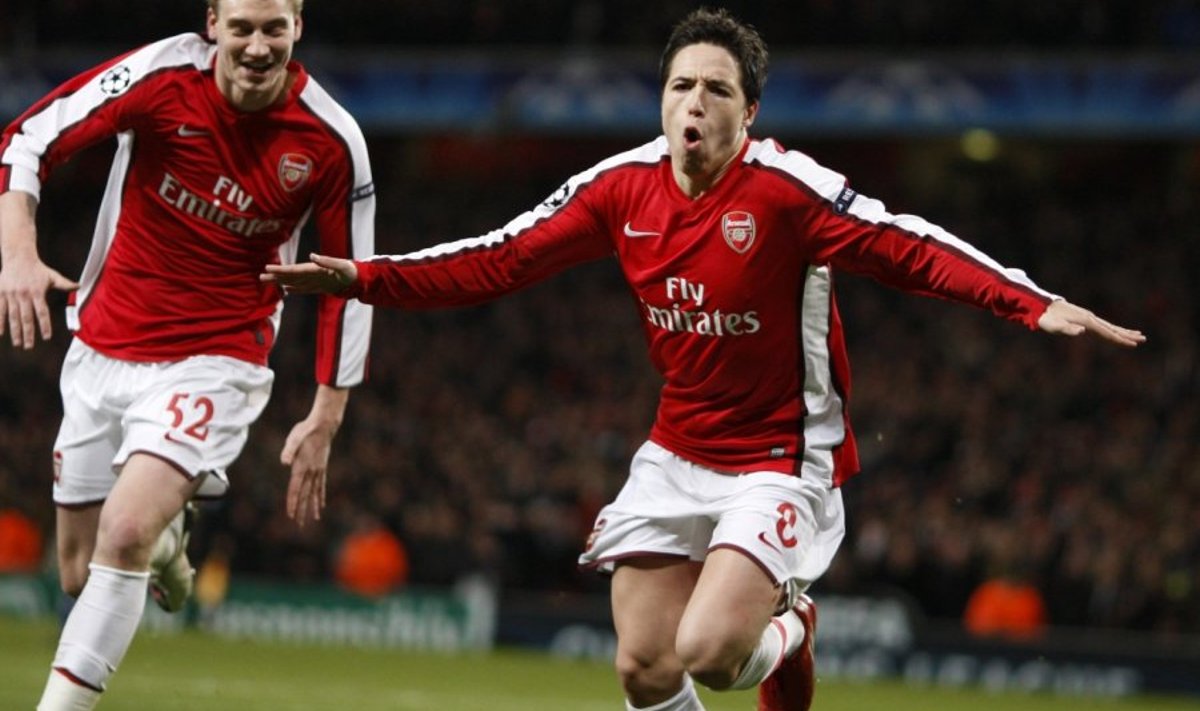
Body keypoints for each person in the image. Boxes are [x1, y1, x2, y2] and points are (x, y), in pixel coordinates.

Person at [264, 8, 1144, 711]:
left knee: (710, 652)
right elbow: (500, 256)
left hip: (780, 460)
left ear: (748, 111)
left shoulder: (789, 192)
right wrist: (366, 276)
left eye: (717, 90)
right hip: (678, 451)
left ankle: (792, 624)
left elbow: (909, 245)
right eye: (680, 85)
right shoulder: (620, 187)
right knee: (645, 668)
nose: (695, 103)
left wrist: (1030, 302)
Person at [0, 0, 375, 708]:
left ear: (299, 26)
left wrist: (327, 412)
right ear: (213, 25)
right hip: (103, 343)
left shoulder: (332, 139)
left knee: (126, 526)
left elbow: (351, 282)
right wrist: (17, 254)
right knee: (80, 570)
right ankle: (171, 546)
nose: (258, 46)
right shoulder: (162, 76)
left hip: (218, 359)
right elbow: (27, 138)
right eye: (242, 27)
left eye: (274, 28)